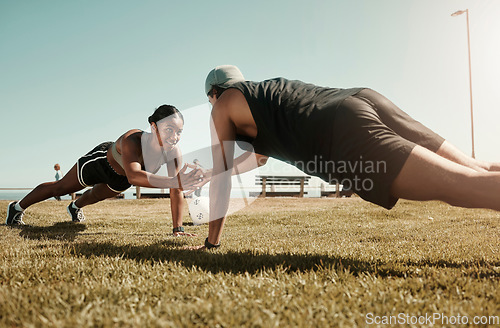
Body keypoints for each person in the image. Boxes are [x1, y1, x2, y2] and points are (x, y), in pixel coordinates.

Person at [196, 64, 500, 250]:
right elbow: (259, 158)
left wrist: (212, 241)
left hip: (341, 130)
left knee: (463, 185)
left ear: (214, 93)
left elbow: (223, 175)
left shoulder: (222, 105)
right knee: (477, 168)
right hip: (362, 98)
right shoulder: (261, 98)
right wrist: (213, 172)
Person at [6, 105, 206, 236]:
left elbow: (176, 190)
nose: (175, 136)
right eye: (169, 129)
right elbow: (135, 176)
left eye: (179, 131)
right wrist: (175, 181)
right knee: (60, 188)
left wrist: (177, 229)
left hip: (120, 179)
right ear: (154, 127)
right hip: (100, 163)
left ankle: (74, 208)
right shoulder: (133, 140)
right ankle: (16, 208)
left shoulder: (173, 153)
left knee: (95, 196)